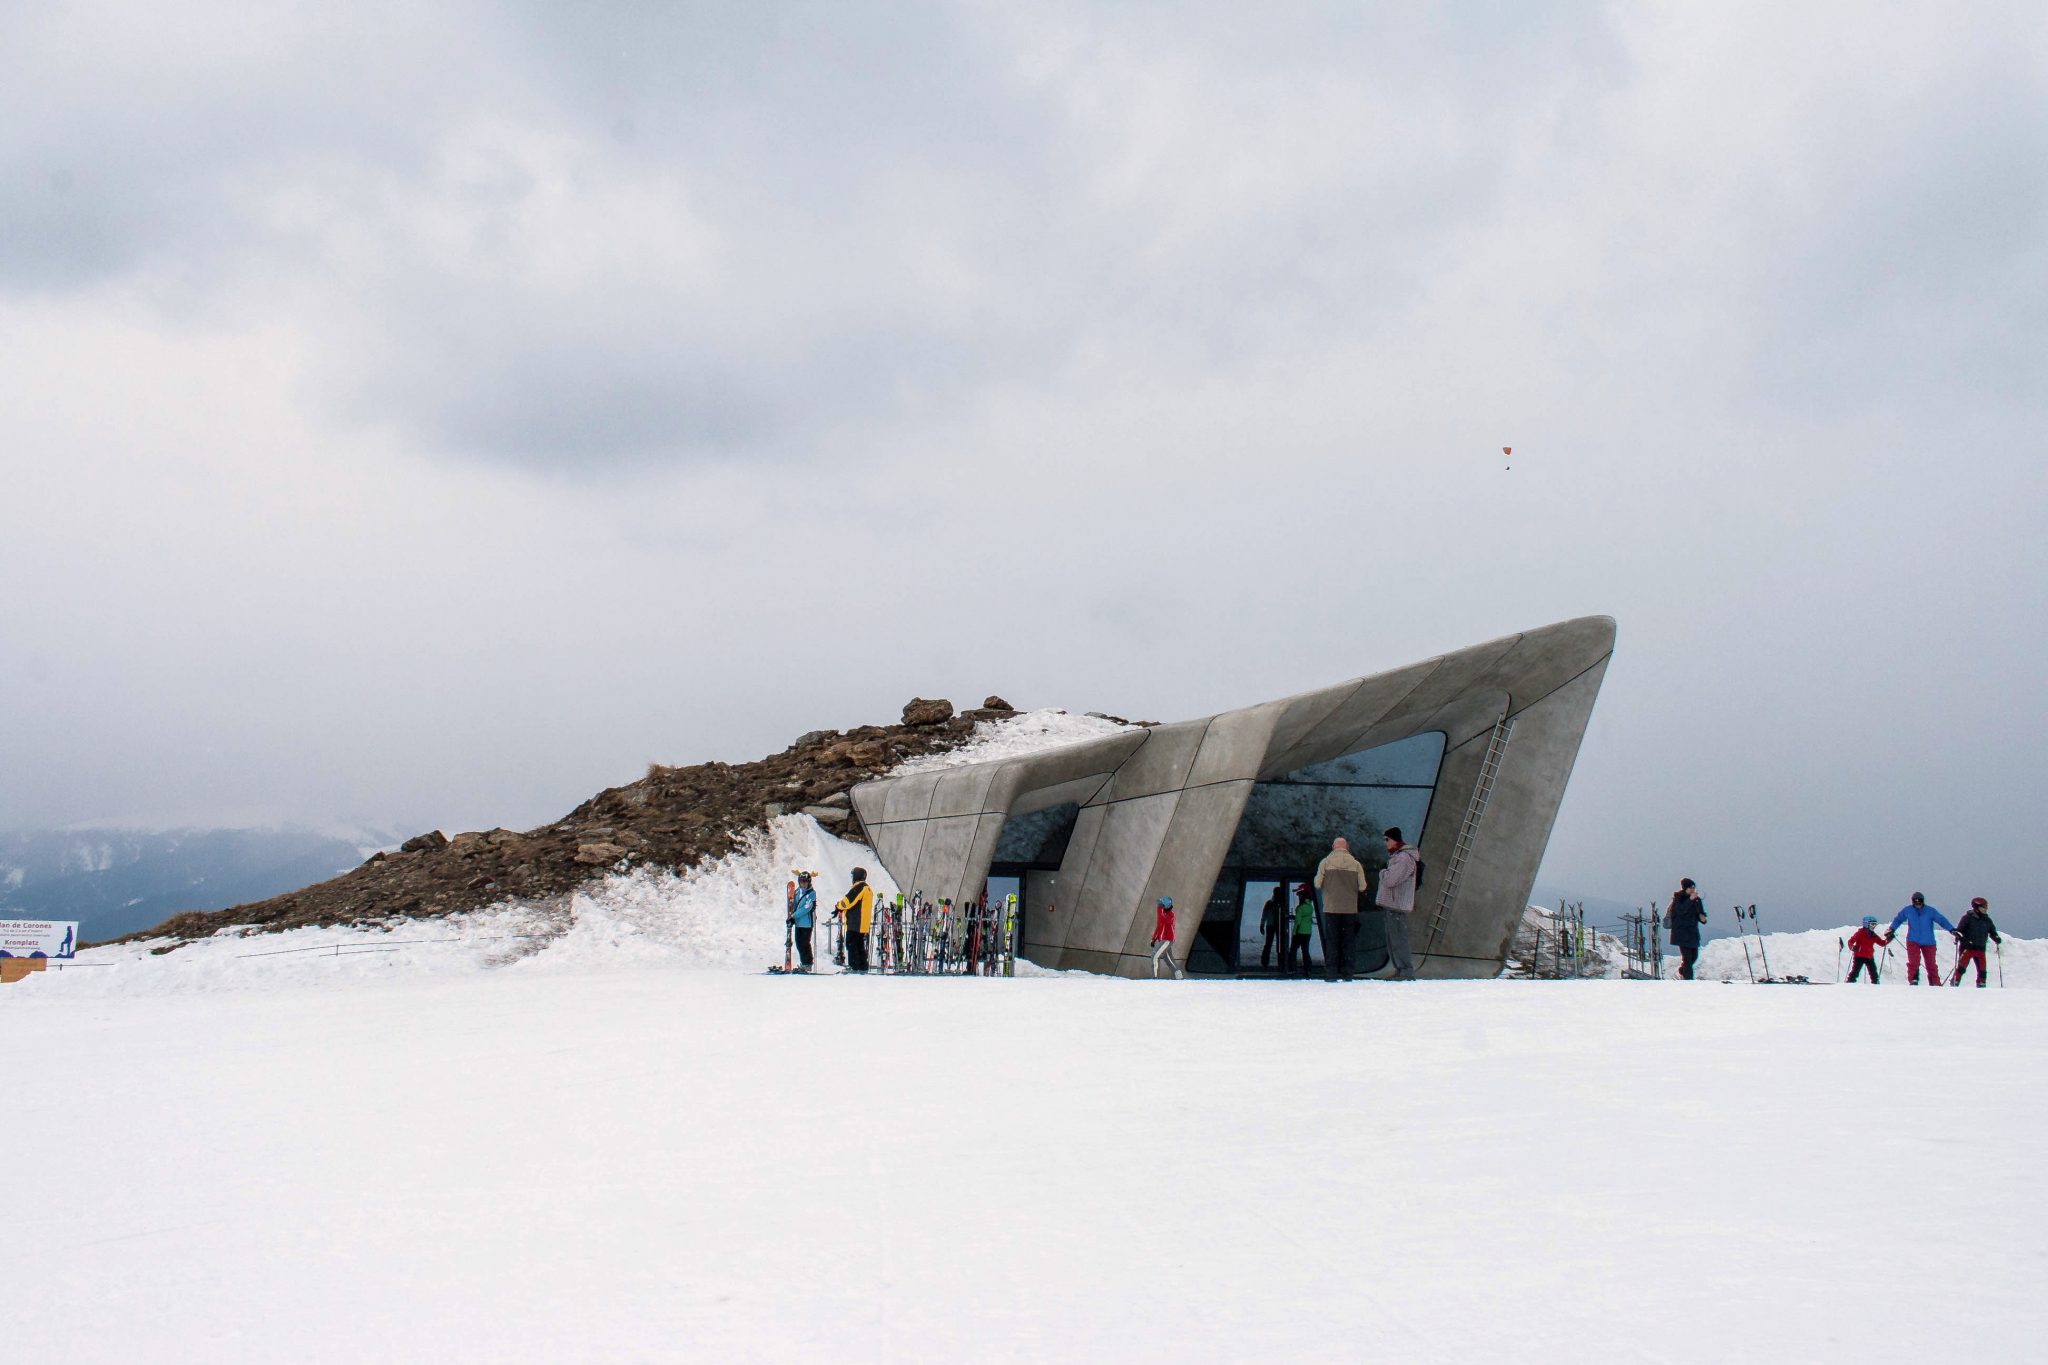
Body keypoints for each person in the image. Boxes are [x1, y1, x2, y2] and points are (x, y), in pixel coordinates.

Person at [1314, 837, 1368, 981]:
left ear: (1333, 847)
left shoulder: (1325, 862)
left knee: (1332, 941)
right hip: (1349, 908)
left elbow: (1317, 883)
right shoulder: (1356, 864)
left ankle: (1331, 973)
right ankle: (1347, 973)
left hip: (1331, 908)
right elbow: (1363, 887)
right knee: (1348, 941)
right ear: (1347, 847)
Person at [1375, 828, 1421, 981]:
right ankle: (1400, 969)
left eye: (1387, 839)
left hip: (1396, 904)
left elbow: (1391, 880)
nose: (1385, 843)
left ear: (1394, 839)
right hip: (1393, 904)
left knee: (1398, 938)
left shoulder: (1403, 858)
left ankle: (1405, 970)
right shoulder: (1399, 857)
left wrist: (1382, 871)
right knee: (1393, 938)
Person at [1887, 892, 1952, 987]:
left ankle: (1935, 983)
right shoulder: (1908, 910)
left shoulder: (1930, 911)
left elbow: (1941, 920)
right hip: (1913, 940)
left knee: (1931, 964)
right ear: (1913, 902)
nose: (1918, 904)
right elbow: (1898, 919)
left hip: (1928, 942)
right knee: (1914, 962)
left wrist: (1952, 929)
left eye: (1920, 902)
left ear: (1923, 901)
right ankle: (1913, 980)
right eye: (1916, 902)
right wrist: (1892, 929)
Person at [1950, 897, 2002, 988]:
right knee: (1962, 967)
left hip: (1980, 948)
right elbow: (1959, 931)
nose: (1986, 909)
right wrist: (1962, 939)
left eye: (1986, 907)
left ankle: (1981, 984)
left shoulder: (1987, 920)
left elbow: (1992, 932)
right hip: (1967, 948)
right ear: (1977, 908)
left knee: (1982, 969)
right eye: (1984, 907)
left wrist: (1996, 938)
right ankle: (1955, 981)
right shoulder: (1967, 918)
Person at [1665, 879, 1707, 980]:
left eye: (1694, 887)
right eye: (1691, 888)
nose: (1693, 890)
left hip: (1692, 932)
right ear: (1686, 888)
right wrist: (1690, 900)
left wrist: (1703, 918)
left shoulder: (1697, 900)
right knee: (1687, 958)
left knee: (1694, 956)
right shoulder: (1679, 898)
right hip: (1681, 933)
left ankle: (1683, 970)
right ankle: (1688, 980)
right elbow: (1680, 910)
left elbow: (1700, 913)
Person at [836, 868, 876, 973]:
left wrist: (839, 906)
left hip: (855, 922)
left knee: (851, 944)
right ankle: (862, 967)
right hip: (862, 923)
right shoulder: (868, 888)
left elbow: (848, 900)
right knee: (859, 945)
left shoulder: (859, 887)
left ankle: (854, 966)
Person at [1845, 915, 1892, 984]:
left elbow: (1882, 943)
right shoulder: (1860, 933)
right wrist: (1852, 947)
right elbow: (1850, 941)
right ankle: (1850, 982)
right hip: (1859, 956)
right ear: (1866, 924)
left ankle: (1875, 984)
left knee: (1873, 972)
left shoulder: (1873, 935)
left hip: (1869, 956)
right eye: (1872, 924)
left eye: (1875, 924)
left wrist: (1890, 938)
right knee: (1855, 971)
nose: (1874, 926)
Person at [789, 871, 818, 972]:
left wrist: (793, 916)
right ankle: (804, 963)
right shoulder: (797, 892)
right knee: (798, 943)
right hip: (798, 923)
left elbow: (806, 908)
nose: (803, 884)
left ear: (809, 882)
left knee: (805, 943)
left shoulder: (811, 893)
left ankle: (807, 964)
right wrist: (791, 916)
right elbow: (794, 905)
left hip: (806, 924)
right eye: (801, 882)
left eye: (805, 882)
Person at [1150, 895, 1184, 979]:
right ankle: (1179, 977)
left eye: (1161, 904)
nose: (1159, 906)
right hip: (1163, 940)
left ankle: (1155, 978)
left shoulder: (1170, 915)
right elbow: (1159, 927)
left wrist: (1159, 909)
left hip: (1167, 939)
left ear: (1165, 905)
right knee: (1168, 959)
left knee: (1154, 956)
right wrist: (1154, 939)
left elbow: (1162, 919)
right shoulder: (1163, 913)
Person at [1258, 884, 1288, 969]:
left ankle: (1266, 962)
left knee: (1270, 944)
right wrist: (1262, 924)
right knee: (1277, 944)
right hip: (1275, 925)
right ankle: (1279, 962)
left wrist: (1262, 924)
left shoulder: (1271, 903)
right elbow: (1265, 915)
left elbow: (1264, 915)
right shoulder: (1277, 903)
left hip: (1272, 925)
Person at [1289, 884, 1316, 976]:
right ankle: (1308, 969)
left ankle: (1292, 968)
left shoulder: (1300, 908)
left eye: (1300, 896)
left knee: (1293, 950)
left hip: (1299, 932)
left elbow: (1298, 922)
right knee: (1305, 951)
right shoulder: (1310, 907)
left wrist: (1294, 932)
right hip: (1308, 932)